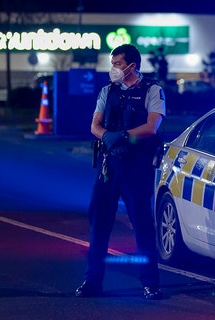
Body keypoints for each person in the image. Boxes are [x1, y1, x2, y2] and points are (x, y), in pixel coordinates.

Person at [76, 43, 165, 300]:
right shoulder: (108, 91)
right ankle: (92, 282)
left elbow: (152, 126)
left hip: (136, 166)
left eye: (117, 64)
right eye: (113, 64)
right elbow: (95, 124)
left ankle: (150, 283)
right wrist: (107, 136)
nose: (113, 69)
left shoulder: (152, 90)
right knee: (99, 223)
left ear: (131, 66)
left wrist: (124, 136)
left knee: (142, 225)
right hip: (109, 164)